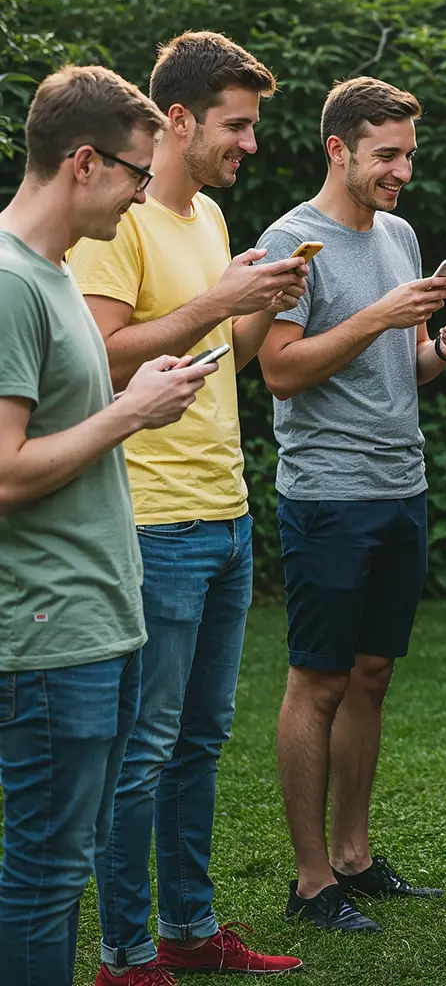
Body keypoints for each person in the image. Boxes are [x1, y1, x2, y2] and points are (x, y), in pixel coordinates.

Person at [69, 32, 306, 982]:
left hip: (228, 514)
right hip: (153, 520)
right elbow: (103, 353)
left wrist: (260, 297)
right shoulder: (120, 220)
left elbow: (222, 362)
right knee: (143, 750)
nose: (248, 144)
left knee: (199, 742)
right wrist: (221, 298)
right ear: (177, 119)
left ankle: (190, 932)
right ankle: (128, 954)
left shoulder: (206, 215)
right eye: (236, 126)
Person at [0, 65, 217, 986]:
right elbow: (5, 471)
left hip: (99, 613)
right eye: (134, 173)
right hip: (51, 629)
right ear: (82, 162)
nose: (139, 194)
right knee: (45, 873)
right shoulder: (11, 282)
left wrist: (138, 397)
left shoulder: (47, 274)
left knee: (62, 860)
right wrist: (132, 413)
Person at [257, 76, 446, 932]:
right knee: (317, 681)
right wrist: (383, 316)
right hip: (327, 493)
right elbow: (278, 369)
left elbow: (407, 364)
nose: (402, 172)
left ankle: (353, 857)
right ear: (338, 149)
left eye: (408, 156)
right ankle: (311, 881)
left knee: (372, 676)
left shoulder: (398, 233)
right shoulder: (293, 241)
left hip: (402, 486)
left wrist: (442, 350)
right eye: (387, 156)